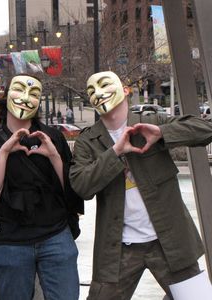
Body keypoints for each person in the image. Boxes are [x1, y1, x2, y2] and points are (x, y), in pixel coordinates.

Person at [69, 71, 212, 300]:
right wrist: (115, 153)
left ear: (125, 90)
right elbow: (81, 185)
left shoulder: (152, 122)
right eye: (92, 91)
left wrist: (163, 133)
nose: (99, 93)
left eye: (105, 85)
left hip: (170, 243)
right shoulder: (88, 141)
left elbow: (205, 130)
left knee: (197, 297)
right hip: (117, 249)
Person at [0, 74, 84, 300]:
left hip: (55, 236)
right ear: (6, 95)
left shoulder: (53, 137)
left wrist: (54, 156)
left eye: (34, 94)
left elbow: (71, 191)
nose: (25, 98)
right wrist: (4, 154)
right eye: (18, 90)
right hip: (11, 242)